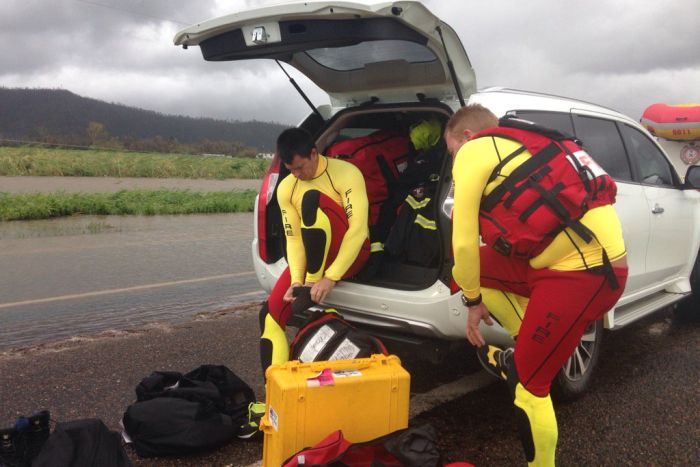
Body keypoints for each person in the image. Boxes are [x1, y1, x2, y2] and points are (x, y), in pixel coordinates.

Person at [445, 104, 628, 466]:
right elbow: (471, 259)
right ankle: (526, 346)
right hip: (555, 263)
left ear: (466, 136)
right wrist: (471, 291)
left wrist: (472, 305)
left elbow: (463, 241)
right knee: (466, 272)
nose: (454, 162)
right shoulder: (525, 143)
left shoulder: (474, 149)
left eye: (452, 151)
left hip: (585, 275)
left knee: (529, 387)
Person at [259, 128, 370, 374]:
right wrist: (297, 280)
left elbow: (359, 230)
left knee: (312, 199)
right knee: (269, 315)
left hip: (351, 253)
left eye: (300, 167)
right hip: (312, 260)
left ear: (313, 153)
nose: (297, 174)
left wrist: (330, 278)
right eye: (291, 169)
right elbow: (294, 238)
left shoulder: (347, 174)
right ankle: (276, 393)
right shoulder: (288, 187)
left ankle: (312, 284)